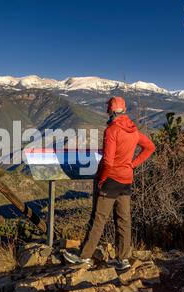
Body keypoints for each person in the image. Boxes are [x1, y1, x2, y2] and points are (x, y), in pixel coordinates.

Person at [63, 96, 156, 270]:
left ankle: (84, 257)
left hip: (111, 180)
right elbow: (150, 147)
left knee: (98, 219)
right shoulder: (133, 130)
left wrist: (103, 178)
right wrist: (132, 164)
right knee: (123, 220)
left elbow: (108, 161)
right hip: (126, 180)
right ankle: (123, 259)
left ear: (111, 110)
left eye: (107, 109)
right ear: (124, 110)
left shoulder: (112, 130)